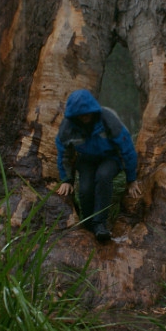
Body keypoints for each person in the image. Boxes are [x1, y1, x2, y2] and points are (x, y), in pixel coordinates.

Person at [55, 89, 141, 242]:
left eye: (87, 112)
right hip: (86, 159)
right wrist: (67, 179)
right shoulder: (68, 127)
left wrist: (131, 179)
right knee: (86, 187)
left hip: (111, 157)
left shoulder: (107, 118)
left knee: (103, 176)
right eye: (80, 114)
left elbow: (127, 148)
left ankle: (100, 223)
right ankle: (88, 223)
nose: (84, 116)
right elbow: (64, 155)